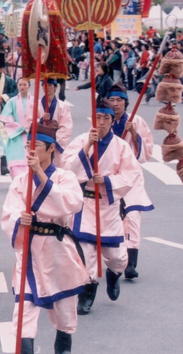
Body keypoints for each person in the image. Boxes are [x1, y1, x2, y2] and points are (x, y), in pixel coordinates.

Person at [1, 123, 88, 354]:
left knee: (64, 310)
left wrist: (40, 174)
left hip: (57, 250)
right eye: (28, 145)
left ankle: (63, 342)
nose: (30, 149)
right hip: (29, 249)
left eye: (36, 145)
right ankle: (25, 347)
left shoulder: (65, 177)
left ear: (50, 149)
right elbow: (9, 213)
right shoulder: (20, 181)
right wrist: (21, 218)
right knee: (24, 308)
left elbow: (71, 204)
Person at [61, 98, 142, 315]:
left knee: (117, 257)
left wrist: (106, 182)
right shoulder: (80, 140)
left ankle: (114, 274)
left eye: (106, 117)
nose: (102, 121)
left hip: (108, 205)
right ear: (92, 118)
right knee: (86, 255)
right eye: (98, 117)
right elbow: (67, 167)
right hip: (85, 203)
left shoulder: (121, 146)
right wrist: (87, 147)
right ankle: (87, 292)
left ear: (111, 120)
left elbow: (131, 174)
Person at [107, 83, 154, 279]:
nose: (116, 104)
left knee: (133, 216)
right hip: (111, 177)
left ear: (126, 103)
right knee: (114, 219)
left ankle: (131, 264)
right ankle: (116, 258)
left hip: (132, 176)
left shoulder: (137, 121)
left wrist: (134, 133)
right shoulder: (104, 121)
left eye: (119, 100)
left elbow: (146, 152)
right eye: (112, 100)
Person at [0, 78, 34, 180]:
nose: (22, 87)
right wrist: (19, 128)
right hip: (15, 136)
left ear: (29, 86)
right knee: (16, 163)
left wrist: (29, 127)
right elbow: (6, 118)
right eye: (20, 85)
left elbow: (38, 118)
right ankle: (17, 181)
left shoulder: (35, 101)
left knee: (30, 160)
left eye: (24, 85)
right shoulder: (12, 101)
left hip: (30, 135)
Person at [37, 79, 73, 165]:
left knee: (56, 169)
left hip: (55, 144)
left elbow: (66, 126)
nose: (47, 87)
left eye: (50, 85)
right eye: (44, 85)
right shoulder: (36, 105)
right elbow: (30, 123)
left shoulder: (62, 106)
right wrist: (41, 120)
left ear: (55, 87)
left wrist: (53, 141)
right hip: (40, 144)